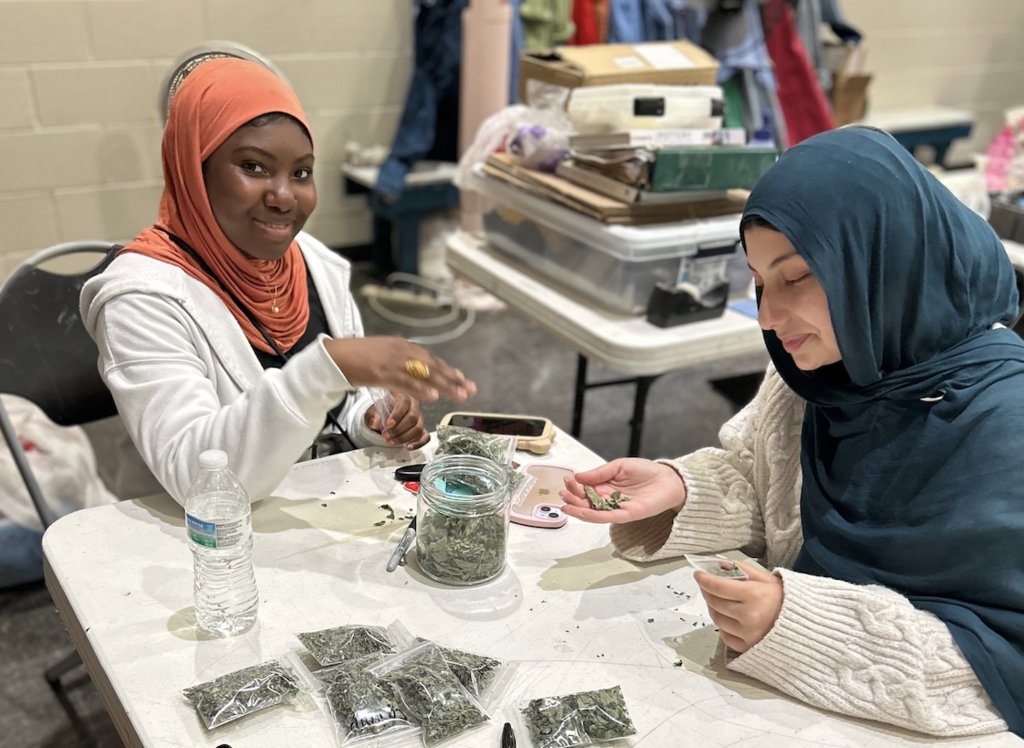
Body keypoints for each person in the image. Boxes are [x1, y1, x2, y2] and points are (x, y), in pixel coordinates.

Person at [560, 127, 1024, 737]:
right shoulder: (823, 369)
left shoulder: (1003, 429)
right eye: (759, 281)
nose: (767, 317)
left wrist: (795, 625)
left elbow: (996, 669)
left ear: (884, 265)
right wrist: (682, 491)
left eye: (797, 276)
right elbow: (772, 490)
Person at [81, 57, 474, 505]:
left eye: (301, 173)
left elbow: (337, 406)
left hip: (304, 508)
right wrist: (331, 365)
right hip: (195, 535)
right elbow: (199, 480)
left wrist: (372, 418)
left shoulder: (313, 262)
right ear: (194, 170)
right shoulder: (141, 297)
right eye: (253, 166)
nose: (284, 197)